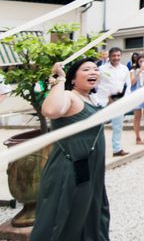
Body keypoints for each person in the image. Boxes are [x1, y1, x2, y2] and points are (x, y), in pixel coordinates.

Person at [30, 60, 109, 241]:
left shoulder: (90, 98)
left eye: (96, 69)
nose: (93, 72)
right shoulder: (69, 95)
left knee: (90, 217)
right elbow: (50, 109)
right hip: (69, 170)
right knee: (62, 219)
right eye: (86, 69)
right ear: (73, 79)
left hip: (90, 171)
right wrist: (60, 80)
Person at [97, 47, 129, 157]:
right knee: (98, 126)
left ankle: (117, 149)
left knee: (117, 126)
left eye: (118, 55)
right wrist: (105, 99)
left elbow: (127, 85)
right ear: (109, 56)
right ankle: (96, 151)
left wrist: (125, 99)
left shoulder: (124, 69)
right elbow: (96, 86)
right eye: (114, 56)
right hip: (103, 101)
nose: (116, 58)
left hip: (118, 101)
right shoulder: (101, 69)